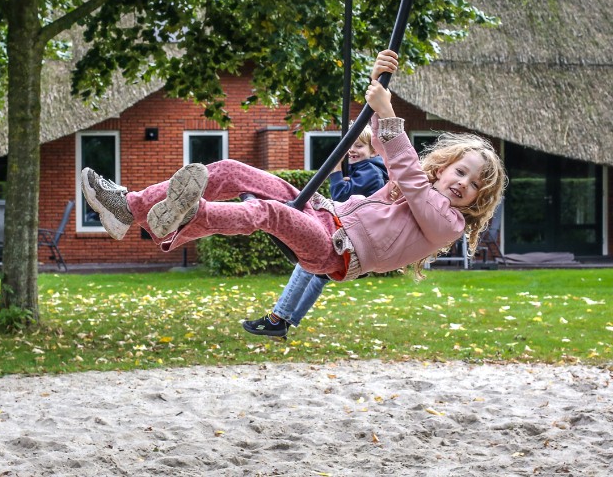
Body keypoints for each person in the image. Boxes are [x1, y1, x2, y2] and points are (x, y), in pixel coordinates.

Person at [81, 50, 506, 305]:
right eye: (461, 171)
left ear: (477, 202)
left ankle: (183, 214)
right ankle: (128, 207)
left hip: (336, 252)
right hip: (326, 215)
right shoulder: (417, 187)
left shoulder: (446, 223)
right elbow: (389, 150)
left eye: (473, 186)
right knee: (231, 170)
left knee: (266, 211)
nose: (462, 184)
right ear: (446, 165)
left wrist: (390, 112)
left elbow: (409, 176)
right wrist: (379, 87)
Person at [242, 124, 389, 338]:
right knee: (318, 275)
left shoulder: (370, 170)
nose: (353, 151)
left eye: (359, 146)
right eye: (350, 146)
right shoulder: (368, 170)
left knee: (308, 263)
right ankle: (285, 323)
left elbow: (339, 194)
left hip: (354, 241)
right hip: (357, 240)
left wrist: (336, 170)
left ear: (373, 151)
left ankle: (277, 318)